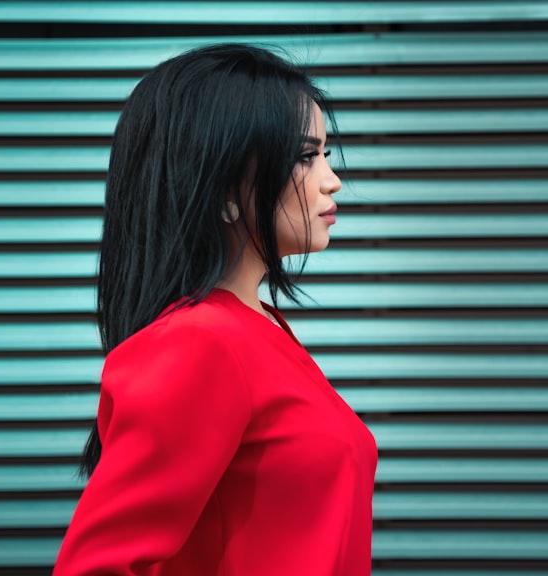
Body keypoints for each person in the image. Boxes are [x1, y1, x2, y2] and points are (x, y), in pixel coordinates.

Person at [53, 44, 378, 575]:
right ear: (225, 191)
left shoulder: (260, 329)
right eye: (305, 156)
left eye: (324, 153)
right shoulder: (202, 342)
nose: (332, 178)